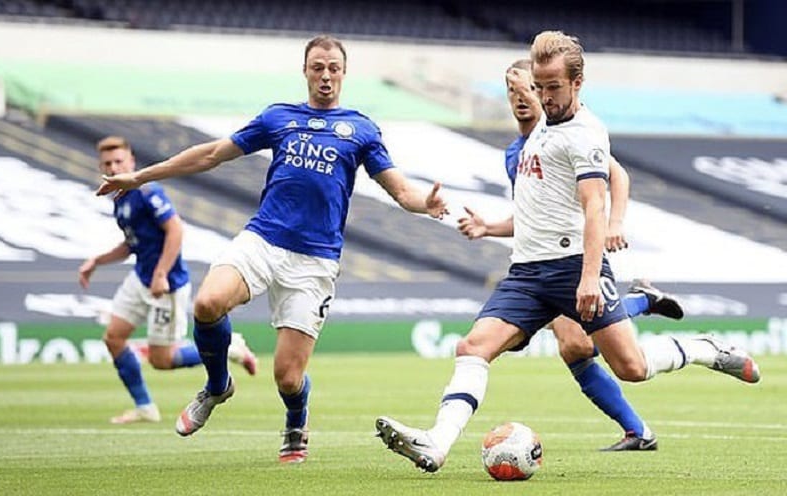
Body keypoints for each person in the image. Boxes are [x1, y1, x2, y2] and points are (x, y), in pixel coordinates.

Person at [375, 30, 760, 473]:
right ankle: (437, 443)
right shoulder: (536, 131)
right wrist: (488, 227)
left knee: (631, 367)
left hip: (571, 265)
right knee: (472, 346)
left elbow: (594, 204)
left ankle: (703, 347)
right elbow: (539, 208)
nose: (544, 97)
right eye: (538, 87)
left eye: (553, 88)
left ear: (577, 84)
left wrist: (592, 274)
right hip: (526, 273)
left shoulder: (586, 133)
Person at [95, 36, 448, 463]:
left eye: (334, 67)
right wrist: (138, 177)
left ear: (344, 72)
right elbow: (210, 154)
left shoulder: (360, 129)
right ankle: (217, 385)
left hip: (314, 261)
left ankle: (296, 419)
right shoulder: (279, 117)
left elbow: (400, 190)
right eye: (318, 66)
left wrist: (424, 206)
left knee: (287, 377)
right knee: (207, 303)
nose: (326, 75)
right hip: (263, 239)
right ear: (305, 71)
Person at [456, 60, 682, 451]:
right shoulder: (516, 152)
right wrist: (489, 227)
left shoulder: (570, 133)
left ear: (545, 89)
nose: (521, 98)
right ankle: (638, 429)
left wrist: (615, 222)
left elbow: (618, 176)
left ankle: (641, 308)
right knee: (575, 345)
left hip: (575, 258)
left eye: (528, 88)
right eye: (512, 92)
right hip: (538, 261)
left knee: (579, 345)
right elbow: (530, 216)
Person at [81, 136, 258, 425]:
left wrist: (161, 273)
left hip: (167, 285)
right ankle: (144, 407)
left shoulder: (148, 191)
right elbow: (131, 244)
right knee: (113, 337)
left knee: (161, 360)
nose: (113, 168)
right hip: (141, 278)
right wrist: (96, 262)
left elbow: (175, 230)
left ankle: (229, 348)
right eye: (107, 163)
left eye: (119, 162)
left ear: (131, 162)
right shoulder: (119, 200)